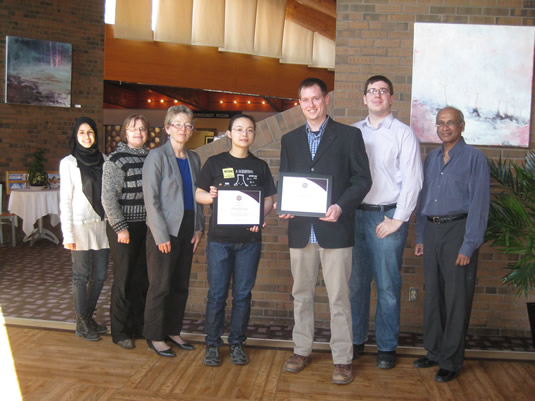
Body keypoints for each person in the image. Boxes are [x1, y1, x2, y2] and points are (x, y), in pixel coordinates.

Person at [279, 77, 372, 385]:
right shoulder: (290, 140)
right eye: (305, 100)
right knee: (301, 294)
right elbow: (286, 181)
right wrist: (285, 203)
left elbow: (362, 180)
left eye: (315, 98)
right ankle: (301, 349)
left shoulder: (349, 136)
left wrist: (341, 206)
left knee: (339, 298)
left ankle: (343, 359)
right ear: (300, 103)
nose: (310, 105)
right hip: (301, 231)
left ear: (326, 99)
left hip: (336, 229)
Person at [349, 75, 423, 369]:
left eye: (383, 91)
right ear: (364, 98)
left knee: (388, 286)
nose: (377, 95)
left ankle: (386, 347)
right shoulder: (352, 132)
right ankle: (355, 341)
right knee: (356, 285)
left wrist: (397, 219)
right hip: (355, 217)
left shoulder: (403, 133)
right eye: (371, 91)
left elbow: (414, 180)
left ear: (392, 98)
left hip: (387, 217)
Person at [413, 106, 489, 383]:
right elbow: (423, 199)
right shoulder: (431, 158)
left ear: (462, 126)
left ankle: (451, 360)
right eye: (440, 123)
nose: (445, 128)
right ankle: (434, 351)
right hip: (431, 231)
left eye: (451, 123)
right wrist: (421, 236)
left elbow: (480, 204)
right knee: (433, 294)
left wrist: (469, 245)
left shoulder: (474, 158)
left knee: (456, 298)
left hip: (459, 231)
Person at [195, 114, 276, 367]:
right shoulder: (214, 162)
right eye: (239, 129)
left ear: (253, 135)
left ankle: (238, 343)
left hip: (249, 241)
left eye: (249, 130)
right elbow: (198, 193)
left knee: (242, 295)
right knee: (217, 294)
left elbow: (269, 200)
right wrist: (211, 197)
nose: (244, 134)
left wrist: (259, 215)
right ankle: (212, 344)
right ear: (229, 133)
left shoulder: (260, 166)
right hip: (219, 240)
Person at [142, 105, 204, 357]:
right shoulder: (156, 157)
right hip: (164, 230)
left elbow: (198, 196)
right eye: (178, 124)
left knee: (180, 284)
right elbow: (151, 199)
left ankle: (173, 330)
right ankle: (155, 335)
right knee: (161, 285)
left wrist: (199, 227)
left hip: (188, 227)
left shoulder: (194, 158)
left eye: (188, 125)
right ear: (167, 128)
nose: (183, 129)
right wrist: (160, 235)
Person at [102, 114, 150, 350]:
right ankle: (120, 331)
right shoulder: (116, 159)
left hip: (146, 227)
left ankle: (138, 326)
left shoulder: (152, 157)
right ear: (124, 133)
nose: (138, 133)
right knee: (123, 279)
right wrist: (120, 227)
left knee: (142, 278)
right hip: (124, 227)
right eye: (133, 129)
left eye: (142, 129)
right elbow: (108, 197)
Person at [59, 117, 110, 341]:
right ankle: (81, 322)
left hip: (103, 225)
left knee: (99, 276)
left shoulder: (105, 160)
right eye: (82, 132)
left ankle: (87, 317)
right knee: (81, 276)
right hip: (79, 226)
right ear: (75, 136)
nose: (87, 137)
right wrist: (67, 233)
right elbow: (65, 200)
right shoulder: (68, 163)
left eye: (90, 132)